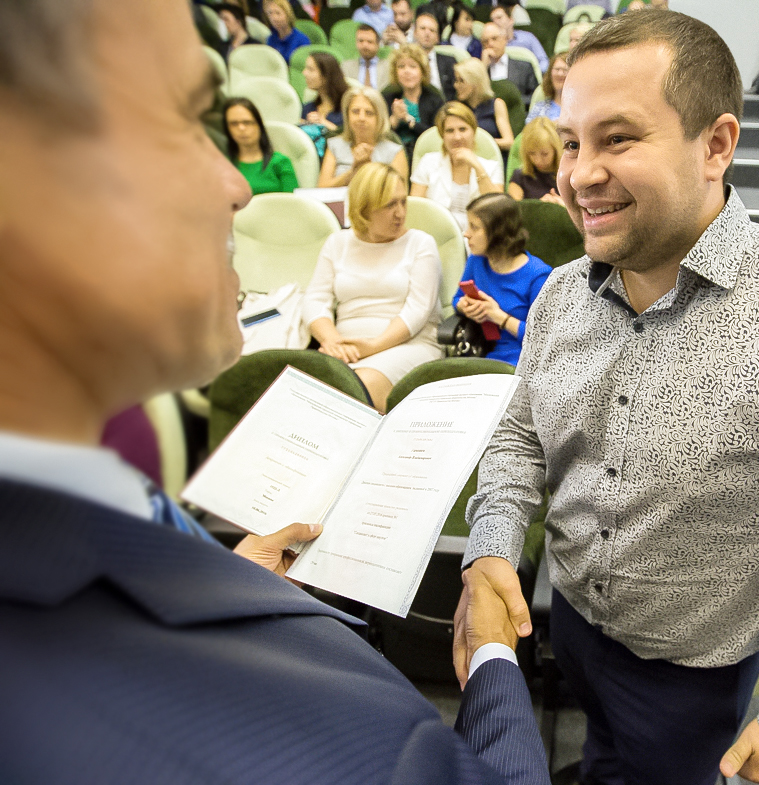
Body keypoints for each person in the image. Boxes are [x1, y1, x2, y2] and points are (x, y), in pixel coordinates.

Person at [0, 2, 551, 784]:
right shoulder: (360, 752)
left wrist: (227, 577)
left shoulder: (110, 523)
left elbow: (413, 314)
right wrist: (493, 651)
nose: (236, 184)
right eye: (182, 121)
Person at [453, 9, 759, 785]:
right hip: (571, 618)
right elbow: (520, 437)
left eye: (617, 138)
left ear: (717, 145)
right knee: (604, 753)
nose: (578, 174)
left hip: (692, 673)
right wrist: (492, 544)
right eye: (571, 142)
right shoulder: (559, 295)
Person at [304, 163, 444, 408]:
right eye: (390, 205)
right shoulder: (337, 243)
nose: (400, 213)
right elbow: (315, 300)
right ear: (365, 208)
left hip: (409, 344)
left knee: (359, 386)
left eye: (403, 202)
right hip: (346, 348)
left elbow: (418, 310)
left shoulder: (420, 244)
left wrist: (371, 347)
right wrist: (333, 342)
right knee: (303, 390)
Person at [453, 194, 552, 366]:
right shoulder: (476, 261)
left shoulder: (538, 275)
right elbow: (456, 300)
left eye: (474, 227)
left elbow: (545, 338)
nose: (466, 234)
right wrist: (465, 307)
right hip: (483, 354)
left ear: (498, 232)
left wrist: (499, 317)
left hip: (524, 361)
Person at [410, 102, 504, 229]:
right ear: (442, 135)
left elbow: (499, 212)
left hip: (480, 236)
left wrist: (477, 166)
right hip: (436, 233)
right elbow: (415, 210)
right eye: (450, 131)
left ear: (473, 131)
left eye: (463, 129)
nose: (457, 137)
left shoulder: (491, 167)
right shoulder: (428, 162)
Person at [318, 87, 409, 187]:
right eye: (355, 111)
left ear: (380, 118)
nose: (361, 118)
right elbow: (322, 189)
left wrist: (366, 170)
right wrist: (353, 171)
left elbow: (399, 193)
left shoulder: (394, 152)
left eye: (369, 113)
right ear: (347, 115)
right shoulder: (335, 145)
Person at [381, 44, 446, 165]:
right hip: (391, 158)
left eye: (413, 66)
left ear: (423, 71)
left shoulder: (435, 99)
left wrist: (408, 120)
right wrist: (394, 119)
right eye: (401, 66)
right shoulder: (387, 98)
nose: (407, 71)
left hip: (427, 158)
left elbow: (436, 136)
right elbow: (379, 135)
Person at [223, 98, 300, 195]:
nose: (241, 128)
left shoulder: (280, 162)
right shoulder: (221, 165)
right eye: (234, 124)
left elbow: (293, 202)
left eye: (247, 122)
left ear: (259, 125)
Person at [454, 58, 515, 151]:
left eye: (461, 81)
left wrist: (484, 143)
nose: (456, 85)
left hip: (492, 155)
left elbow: (509, 142)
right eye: (456, 80)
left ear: (475, 82)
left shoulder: (497, 105)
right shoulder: (456, 108)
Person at [481, 22, 540, 106]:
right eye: (485, 42)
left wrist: (511, 102)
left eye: (494, 39)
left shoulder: (524, 67)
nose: (490, 44)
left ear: (504, 39)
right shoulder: (481, 69)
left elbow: (535, 98)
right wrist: (483, 67)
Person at [508, 117, 563, 203]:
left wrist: (563, 205)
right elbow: (514, 208)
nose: (538, 160)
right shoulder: (520, 176)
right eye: (532, 153)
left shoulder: (569, 176)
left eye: (544, 154)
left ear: (556, 150)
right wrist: (538, 206)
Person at [413, 8, 458, 100]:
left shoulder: (450, 62)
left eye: (432, 30)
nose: (427, 33)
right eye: (423, 28)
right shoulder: (407, 61)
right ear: (415, 33)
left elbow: (455, 92)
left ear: (437, 38)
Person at [489, 3, 549, 72]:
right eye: (493, 20)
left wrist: (534, 74)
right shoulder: (491, 44)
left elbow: (543, 61)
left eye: (499, 18)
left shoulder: (528, 37)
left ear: (511, 20)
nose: (495, 22)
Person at [300, 51, 348, 132]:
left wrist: (324, 123)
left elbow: (349, 136)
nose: (304, 73)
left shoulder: (347, 110)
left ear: (326, 75)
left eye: (310, 69)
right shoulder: (308, 108)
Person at [526, 53, 568, 122]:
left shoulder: (581, 109)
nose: (560, 74)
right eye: (557, 69)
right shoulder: (539, 108)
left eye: (565, 70)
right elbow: (529, 128)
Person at [341, 23, 383, 88]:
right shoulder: (346, 67)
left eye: (369, 42)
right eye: (361, 41)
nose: (364, 45)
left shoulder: (389, 67)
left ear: (378, 44)